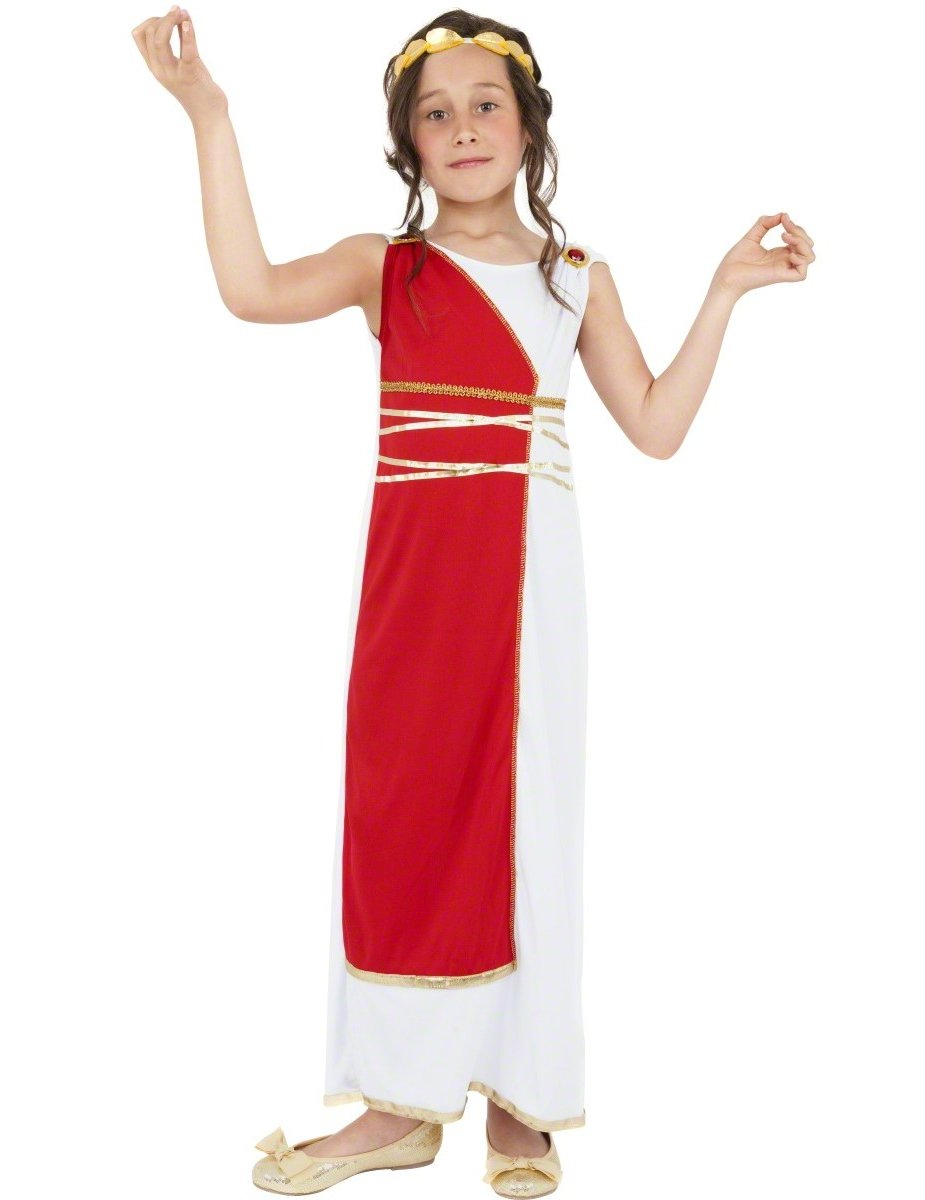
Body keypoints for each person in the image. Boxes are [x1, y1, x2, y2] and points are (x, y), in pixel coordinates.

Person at [131, 7, 815, 1196]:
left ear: (529, 126)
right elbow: (248, 289)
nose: (461, 128)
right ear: (408, 143)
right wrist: (209, 114)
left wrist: (723, 292)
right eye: (434, 113)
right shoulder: (384, 268)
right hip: (413, 587)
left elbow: (655, 426)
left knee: (526, 824)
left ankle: (520, 1098)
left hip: (532, 593)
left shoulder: (575, 281)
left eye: (485, 105)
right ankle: (397, 1102)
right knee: (398, 811)